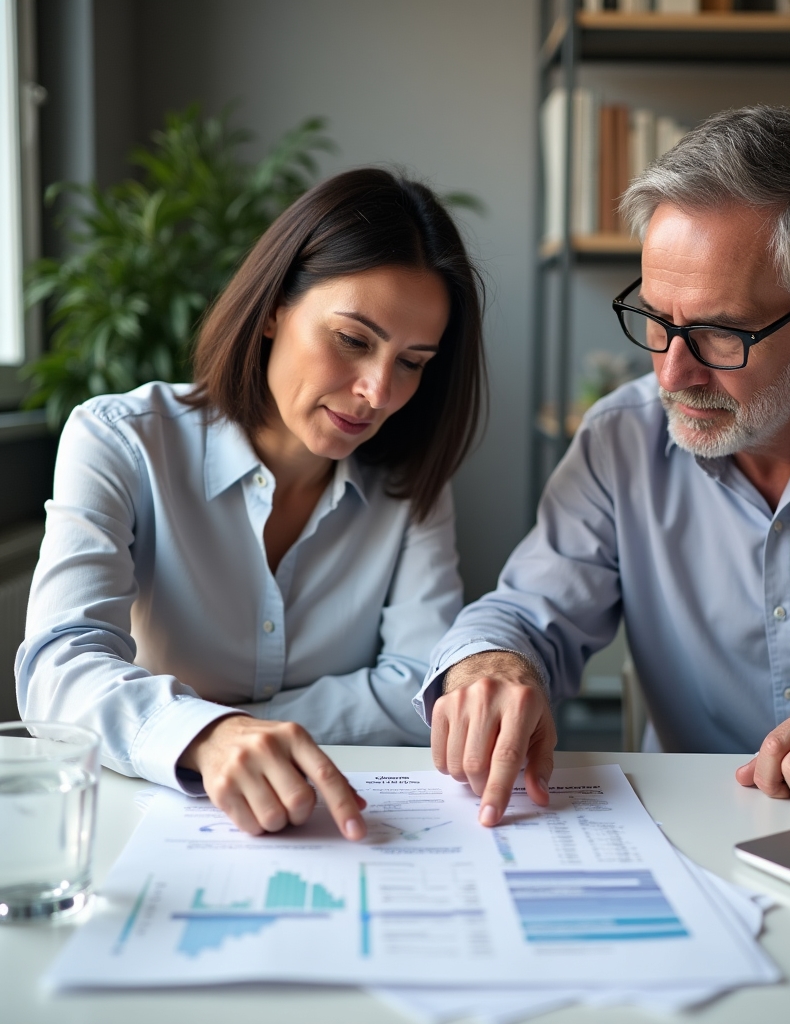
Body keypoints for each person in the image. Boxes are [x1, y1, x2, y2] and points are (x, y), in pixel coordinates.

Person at [420, 105, 790, 828]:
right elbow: (525, 615)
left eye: (719, 333)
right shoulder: (622, 439)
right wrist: (492, 667)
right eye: (655, 317)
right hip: (688, 839)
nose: (672, 374)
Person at [18, 168, 485, 839]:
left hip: (338, 820)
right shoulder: (119, 440)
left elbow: (420, 686)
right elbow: (59, 665)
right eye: (353, 340)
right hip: (151, 821)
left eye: (412, 362)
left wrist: (223, 723)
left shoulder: (411, 482)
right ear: (273, 310)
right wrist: (206, 736)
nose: (379, 391)